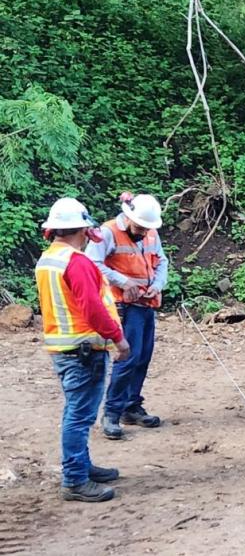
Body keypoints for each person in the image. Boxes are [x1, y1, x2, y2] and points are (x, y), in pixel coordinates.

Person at [35, 198, 132, 502]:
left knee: (78, 411)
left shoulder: (49, 258)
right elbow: (92, 307)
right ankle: (75, 479)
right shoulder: (76, 263)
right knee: (80, 415)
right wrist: (118, 338)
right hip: (83, 348)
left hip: (65, 347)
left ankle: (82, 467)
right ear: (81, 229)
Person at [86, 192, 168, 441]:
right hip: (123, 305)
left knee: (142, 357)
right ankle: (112, 412)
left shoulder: (151, 232)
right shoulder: (108, 231)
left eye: (147, 228)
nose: (144, 232)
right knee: (128, 358)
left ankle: (131, 407)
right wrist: (123, 281)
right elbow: (92, 262)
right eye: (140, 227)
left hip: (147, 303)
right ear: (128, 218)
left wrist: (158, 284)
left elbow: (162, 260)